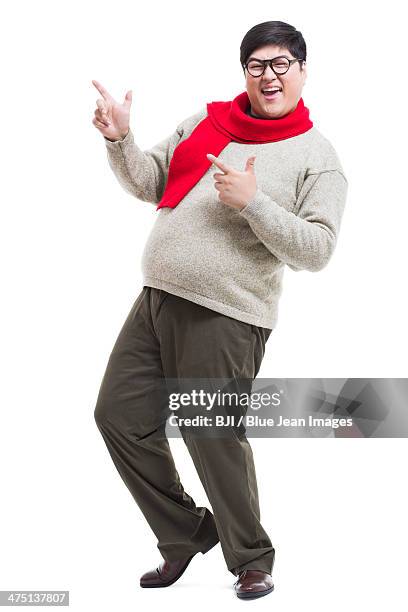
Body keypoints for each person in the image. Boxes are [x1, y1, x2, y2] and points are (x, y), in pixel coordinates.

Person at [91, 20, 348, 600]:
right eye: (258, 65)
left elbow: (318, 250)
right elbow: (153, 182)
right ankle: (184, 533)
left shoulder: (316, 157)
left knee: (212, 433)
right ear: (246, 73)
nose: (270, 76)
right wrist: (120, 141)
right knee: (118, 417)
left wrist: (255, 203)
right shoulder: (205, 123)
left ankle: (251, 558)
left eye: (281, 63)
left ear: (302, 71)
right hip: (155, 299)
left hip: (227, 314)